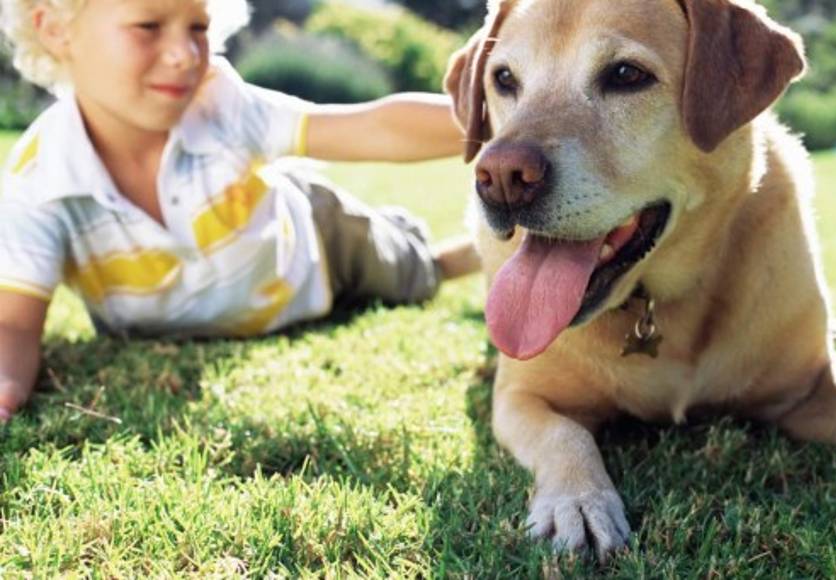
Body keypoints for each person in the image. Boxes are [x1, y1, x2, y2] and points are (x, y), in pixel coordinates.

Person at [0, 0, 480, 421]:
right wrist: (6, 389)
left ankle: (444, 254)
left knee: (410, 276)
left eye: (198, 27)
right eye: (148, 26)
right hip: (227, 296)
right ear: (55, 29)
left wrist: (498, 120)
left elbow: (373, 128)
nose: (184, 54)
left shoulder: (221, 104)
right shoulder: (39, 180)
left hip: (318, 243)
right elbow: (14, 323)